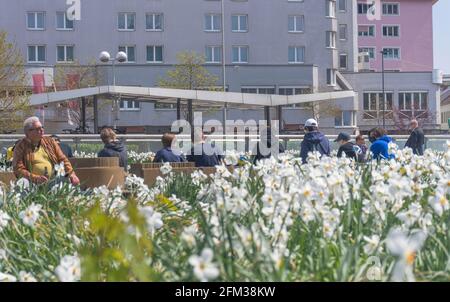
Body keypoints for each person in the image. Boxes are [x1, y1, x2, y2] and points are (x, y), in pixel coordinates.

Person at [12, 116, 80, 185]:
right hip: (32, 182)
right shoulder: (20, 146)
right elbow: (18, 169)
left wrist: (72, 174)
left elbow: (63, 159)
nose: (42, 130)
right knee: (23, 182)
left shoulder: (50, 141)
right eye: (38, 129)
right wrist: (35, 178)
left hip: (54, 180)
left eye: (42, 127)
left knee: (69, 180)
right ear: (28, 132)